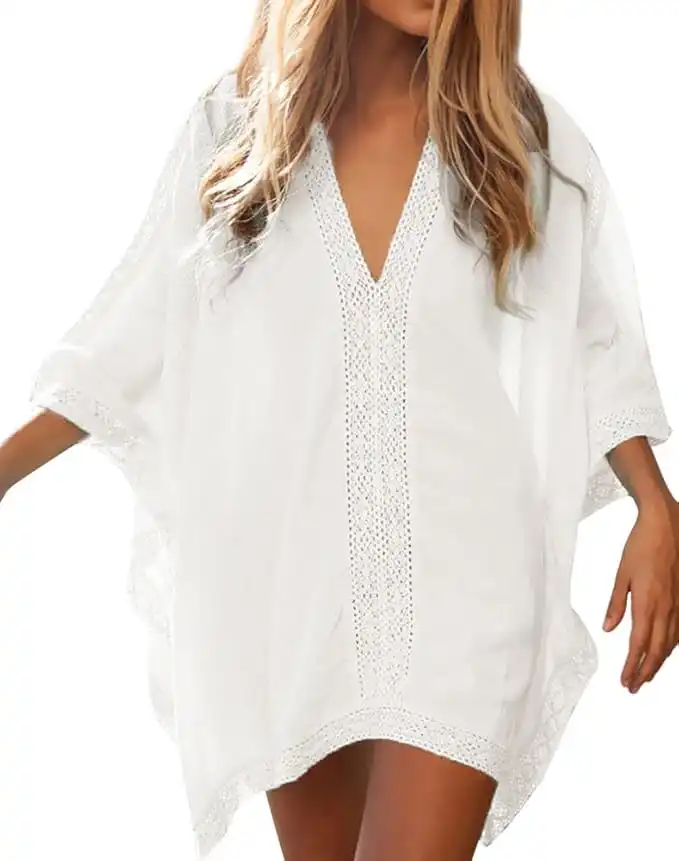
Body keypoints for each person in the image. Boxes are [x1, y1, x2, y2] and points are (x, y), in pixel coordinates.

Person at [2, 1, 677, 859]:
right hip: (289, 586)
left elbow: (594, 330)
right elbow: (131, 337)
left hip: (470, 580)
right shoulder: (236, 127)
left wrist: (653, 503)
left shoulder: (514, 134)